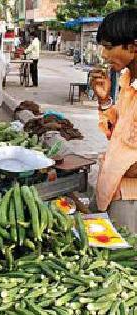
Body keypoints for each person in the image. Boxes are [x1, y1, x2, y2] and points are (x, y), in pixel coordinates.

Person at [90, 8, 137, 230]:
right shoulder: (127, 80)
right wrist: (105, 100)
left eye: (109, 47)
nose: (104, 55)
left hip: (131, 200)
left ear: (133, 46)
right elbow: (116, 133)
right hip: (112, 190)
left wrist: (125, 166)